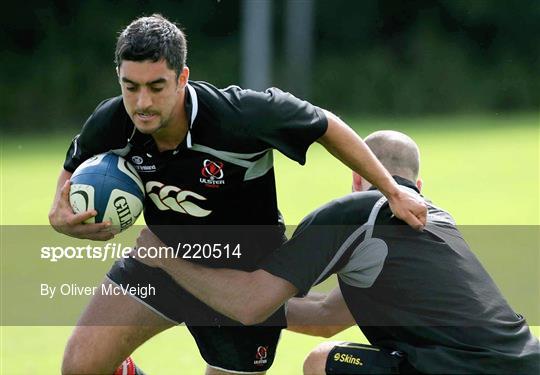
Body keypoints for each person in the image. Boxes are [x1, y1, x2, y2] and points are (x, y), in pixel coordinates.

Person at [48, 14, 427, 375]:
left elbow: (327, 125)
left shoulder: (241, 116)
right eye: (130, 87)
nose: (142, 103)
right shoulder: (113, 121)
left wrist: (391, 190)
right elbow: (70, 178)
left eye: (156, 86)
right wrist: (61, 217)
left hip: (244, 280)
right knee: (81, 365)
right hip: (160, 258)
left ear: (182, 78)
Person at [134, 130, 540, 374]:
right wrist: (213, 298)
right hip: (525, 361)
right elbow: (326, 316)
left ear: (356, 175)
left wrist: (168, 260)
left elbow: (252, 304)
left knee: (320, 363)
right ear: (419, 182)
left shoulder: (356, 213)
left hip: (459, 370)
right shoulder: (437, 222)